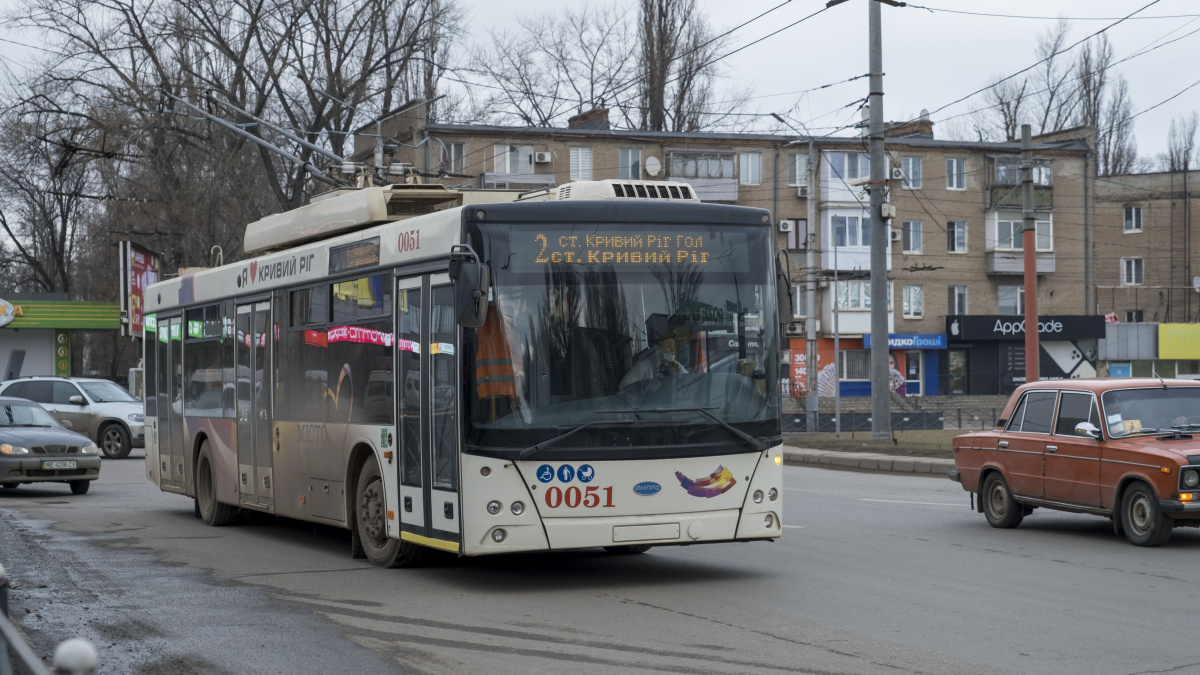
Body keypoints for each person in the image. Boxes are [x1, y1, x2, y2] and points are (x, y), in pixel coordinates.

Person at [620, 336, 688, 388]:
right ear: (657, 349)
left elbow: (689, 380)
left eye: (674, 346)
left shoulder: (676, 366)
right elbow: (624, 385)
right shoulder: (644, 366)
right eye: (669, 346)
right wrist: (642, 390)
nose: (673, 350)